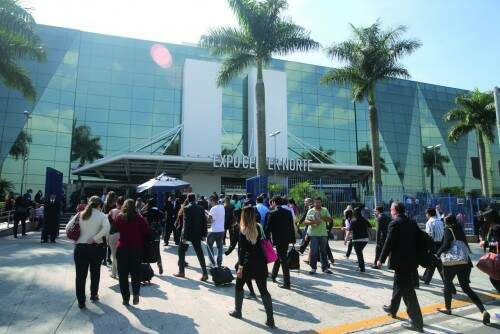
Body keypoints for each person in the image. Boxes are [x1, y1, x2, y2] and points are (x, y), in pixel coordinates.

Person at [435, 214, 491, 324]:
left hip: (451, 263)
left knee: (447, 284)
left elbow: (446, 244)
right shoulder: (460, 230)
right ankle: (483, 310)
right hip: (465, 262)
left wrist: (437, 253)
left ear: (447, 222)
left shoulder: (448, 230)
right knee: (466, 288)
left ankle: (448, 308)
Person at [377, 202, 424, 332]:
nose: (390, 211)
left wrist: (381, 259)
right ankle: (393, 308)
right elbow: (419, 240)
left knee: (408, 292)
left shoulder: (395, 223)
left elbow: (388, 242)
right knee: (398, 285)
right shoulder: (412, 222)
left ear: (395, 210)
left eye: (391, 209)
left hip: (400, 262)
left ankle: (417, 322)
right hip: (411, 261)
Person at [229, 206, 275, 328]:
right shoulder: (259, 227)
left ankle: (238, 311)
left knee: (239, 287)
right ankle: (270, 320)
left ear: (243, 215)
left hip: (248, 263)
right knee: (264, 290)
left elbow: (242, 251)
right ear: (254, 215)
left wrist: (240, 267)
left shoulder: (242, 229)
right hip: (261, 263)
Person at [66, 196, 110, 309]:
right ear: (100, 205)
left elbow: (67, 227)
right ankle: (94, 295)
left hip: (80, 248)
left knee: (80, 276)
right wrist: (95, 238)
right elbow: (107, 229)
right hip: (96, 248)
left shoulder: (80, 214)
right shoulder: (102, 216)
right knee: (95, 273)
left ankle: (81, 301)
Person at [113, 199, 150, 306]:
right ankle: (136, 294)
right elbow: (146, 233)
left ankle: (125, 298)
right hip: (136, 249)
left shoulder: (119, 217)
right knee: (136, 274)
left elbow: (114, 229)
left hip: (122, 248)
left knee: (123, 275)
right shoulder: (140, 219)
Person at [174, 194, 208, 281]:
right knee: (200, 254)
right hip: (197, 235)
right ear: (195, 199)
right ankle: (205, 273)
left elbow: (186, 224)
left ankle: (181, 272)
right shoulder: (201, 208)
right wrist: (204, 234)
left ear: (188, 199)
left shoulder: (186, 208)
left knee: (181, 251)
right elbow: (204, 222)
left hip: (188, 235)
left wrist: (184, 237)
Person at [266, 196, 296, 289]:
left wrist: (267, 240)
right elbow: (291, 227)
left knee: (283, 259)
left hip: (278, 240)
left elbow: (268, 229)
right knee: (280, 256)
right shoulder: (288, 212)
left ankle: (287, 283)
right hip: (286, 239)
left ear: (274, 202)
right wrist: (293, 239)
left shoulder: (272, 213)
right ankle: (274, 275)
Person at [304, 197, 333, 275]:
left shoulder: (325, 210)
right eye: (316, 202)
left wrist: (321, 216)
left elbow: (330, 220)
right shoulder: (311, 210)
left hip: (323, 234)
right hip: (313, 234)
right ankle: (313, 268)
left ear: (321, 203)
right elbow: (306, 221)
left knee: (323, 251)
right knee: (314, 252)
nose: (317, 204)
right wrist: (313, 222)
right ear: (314, 203)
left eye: (319, 202)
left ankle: (325, 268)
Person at [421, 208, 445, 284]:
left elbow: (429, 236)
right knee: (432, 263)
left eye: (426, 214)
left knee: (438, 264)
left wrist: (426, 247)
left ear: (428, 214)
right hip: (441, 244)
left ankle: (448, 283)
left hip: (433, 245)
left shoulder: (429, 222)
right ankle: (426, 278)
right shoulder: (440, 221)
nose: (426, 215)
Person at [142, 198, 165, 274]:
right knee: (157, 250)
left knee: (148, 250)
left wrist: (145, 207)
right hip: (157, 234)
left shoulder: (148, 212)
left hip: (149, 234)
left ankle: (149, 268)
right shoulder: (160, 212)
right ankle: (159, 263)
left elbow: (140, 213)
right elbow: (163, 219)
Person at [479, 209, 500, 292]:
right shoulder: (492, 229)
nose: (484, 220)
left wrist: (486, 243)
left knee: (494, 279)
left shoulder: (498, 229)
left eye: (485, 218)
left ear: (490, 219)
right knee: (494, 278)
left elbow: (497, 243)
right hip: (496, 258)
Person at [108, 196, 124, 279]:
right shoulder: (125, 212)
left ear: (117, 203)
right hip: (123, 235)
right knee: (121, 256)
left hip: (113, 234)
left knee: (114, 255)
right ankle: (116, 273)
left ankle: (115, 273)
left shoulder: (112, 211)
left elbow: (108, 223)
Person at [350, 207, 371, 272]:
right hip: (365, 239)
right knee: (359, 253)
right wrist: (370, 235)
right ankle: (360, 266)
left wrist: (347, 238)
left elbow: (350, 230)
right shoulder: (364, 219)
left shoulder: (353, 220)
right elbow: (370, 227)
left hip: (356, 239)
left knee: (359, 254)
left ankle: (362, 268)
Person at [207, 195, 225, 267]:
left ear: (212, 200)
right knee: (220, 247)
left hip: (213, 230)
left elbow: (209, 220)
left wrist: (207, 217)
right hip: (221, 230)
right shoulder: (222, 207)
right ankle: (219, 263)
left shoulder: (213, 209)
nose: (210, 203)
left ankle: (212, 262)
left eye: (210, 201)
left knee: (209, 246)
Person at [102, 191, 117, 266]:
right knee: (110, 243)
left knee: (104, 243)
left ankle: (104, 260)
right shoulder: (115, 205)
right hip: (112, 224)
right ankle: (108, 258)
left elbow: (103, 213)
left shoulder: (105, 204)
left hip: (105, 223)